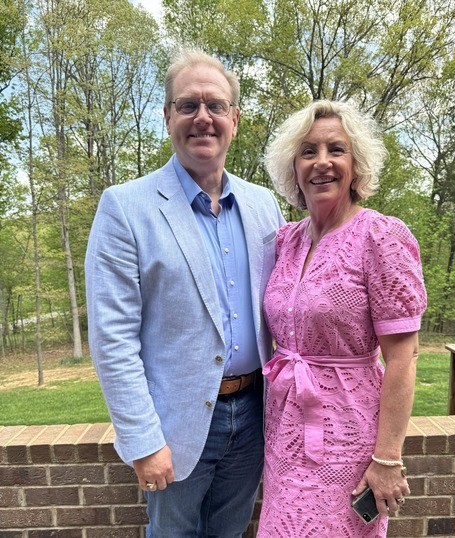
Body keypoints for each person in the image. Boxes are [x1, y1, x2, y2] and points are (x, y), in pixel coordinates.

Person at [85, 49, 284, 537]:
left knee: (230, 531)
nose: (203, 118)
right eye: (188, 105)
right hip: (174, 425)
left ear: (235, 118)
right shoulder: (125, 208)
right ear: (167, 116)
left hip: (255, 414)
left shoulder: (264, 205)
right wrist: (143, 441)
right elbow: (112, 339)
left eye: (215, 105)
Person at [257, 100, 427, 537]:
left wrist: (387, 458)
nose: (322, 162)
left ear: (357, 165)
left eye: (336, 149)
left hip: (348, 436)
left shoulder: (380, 236)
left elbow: (404, 358)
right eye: (308, 151)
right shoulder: (286, 241)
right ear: (293, 169)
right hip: (284, 431)